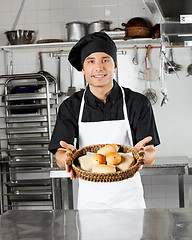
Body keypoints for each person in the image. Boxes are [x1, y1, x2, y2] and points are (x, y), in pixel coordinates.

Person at [49, 32, 160, 209]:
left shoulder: (137, 103)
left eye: (105, 60)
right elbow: (60, 155)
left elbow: (150, 154)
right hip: (90, 202)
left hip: (130, 202)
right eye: (91, 61)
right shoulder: (71, 107)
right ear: (83, 69)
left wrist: (143, 156)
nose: (98, 67)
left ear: (115, 66)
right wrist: (67, 158)